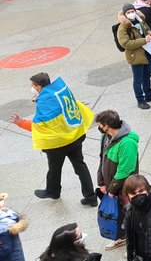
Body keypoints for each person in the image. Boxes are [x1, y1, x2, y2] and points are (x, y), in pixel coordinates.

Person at [10, 73, 98, 204]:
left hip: (57, 145)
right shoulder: (60, 93)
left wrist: (21, 122)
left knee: (54, 169)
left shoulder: (45, 102)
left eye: (32, 85)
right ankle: (91, 197)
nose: (31, 88)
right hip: (74, 138)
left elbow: (39, 126)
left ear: (39, 87)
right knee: (80, 167)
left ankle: (53, 192)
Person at [94, 110, 139, 250]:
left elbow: (125, 170)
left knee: (131, 215)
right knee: (119, 215)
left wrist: (112, 189)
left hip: (125, 188)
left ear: (106, 126)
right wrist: (101, 182)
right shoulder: (106, 137)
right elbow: (102, 159)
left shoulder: (127, 142)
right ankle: (123, 237)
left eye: (100, 125)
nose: (99, 128)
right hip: (111, 187)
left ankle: (135, 244)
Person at [117, 3, 151, 109]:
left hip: (146, 52)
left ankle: (149, 94)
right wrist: (143, 40)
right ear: (124, 14)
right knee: (138, 79)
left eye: (132, 11)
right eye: (128, 12)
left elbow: (147, 29)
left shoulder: (139, 20)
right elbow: (125, 43)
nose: (131, 14)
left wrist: (150, 35)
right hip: (135, 55)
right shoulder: (123, 27)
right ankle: (140, 100)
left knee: (147, 75)